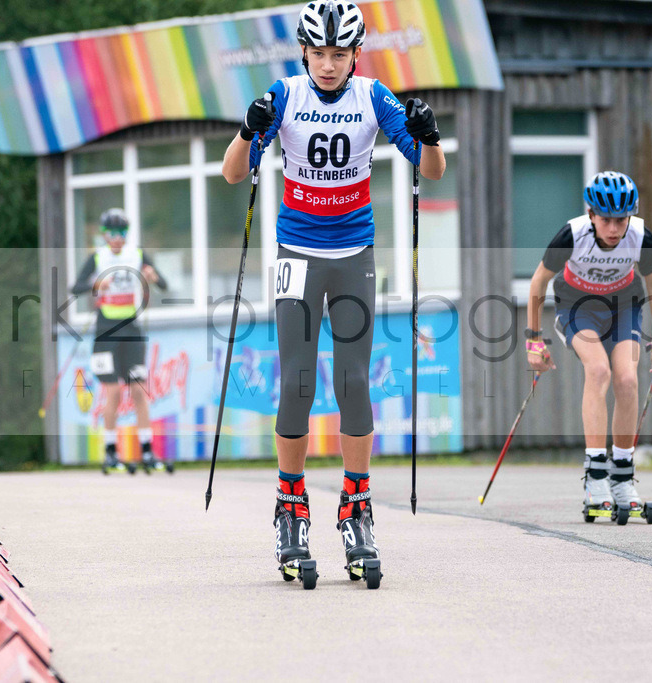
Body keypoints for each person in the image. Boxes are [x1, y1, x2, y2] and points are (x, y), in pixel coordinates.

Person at [221, 0, 445, 585]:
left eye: (339, 54)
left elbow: (432, 169)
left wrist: (431, 135)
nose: (328, 64)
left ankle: (356, 505)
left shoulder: (372, 96)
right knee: (297, 377)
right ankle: (291, 506)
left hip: (354, 257)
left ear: (355, 54)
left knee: (352, 380)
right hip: (297, 255)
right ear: (303, 53)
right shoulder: (285, 95)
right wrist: (249, 129)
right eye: (318, 53)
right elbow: (230, 173)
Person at [526, 172, 652, 519]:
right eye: (606, 220)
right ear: (591, 215)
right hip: (578, 307)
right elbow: (538, 281)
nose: (614, 228)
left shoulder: (640, 237)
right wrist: (533, 338)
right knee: (599, 369)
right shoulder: (571, 235)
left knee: (628, 379)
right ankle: (595, 476)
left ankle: (622, 477)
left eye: (621, 219)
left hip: (623, 307)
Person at [70, 208, 169, 474]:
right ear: (104, 235)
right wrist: (96, 284)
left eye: (121, 232)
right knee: (113, 392)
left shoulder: (136, 254)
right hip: (104, 332)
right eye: (111, 233)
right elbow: (75, 287)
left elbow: (164, 284)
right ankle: (111, 452)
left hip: (132, 329)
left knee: (139, 390)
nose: (117, 238)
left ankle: (147, 452)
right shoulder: (98, 257)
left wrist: (153, 277)